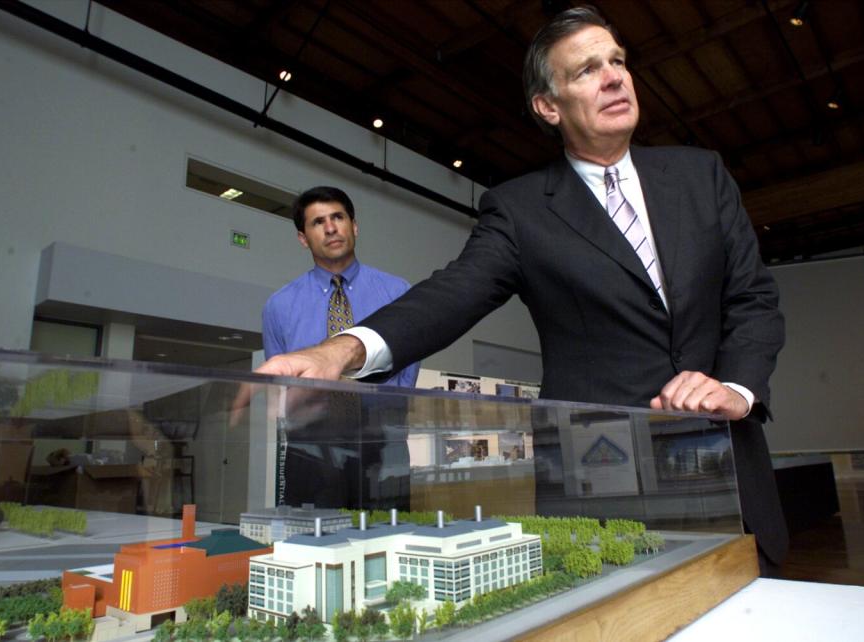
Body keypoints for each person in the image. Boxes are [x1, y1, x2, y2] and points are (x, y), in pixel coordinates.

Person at [255, 8, 788, 572]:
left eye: (618, 61)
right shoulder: (520, 209)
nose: (614, 77)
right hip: (603, 484)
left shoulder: (702, 175)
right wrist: (339, 350)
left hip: (730, 475)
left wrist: (736, 386)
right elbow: (454, 291)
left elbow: (752, 299)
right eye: (587, 70)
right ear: (548, 105)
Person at [261, 185, 418, 388]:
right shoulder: (279, 306)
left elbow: (409, 367)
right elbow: (280, 383)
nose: (330, 229)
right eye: (318, 222)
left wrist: (394, 412)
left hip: (384, 418)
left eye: (338, 217)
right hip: (309, 419)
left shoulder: (397, 293)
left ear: (354, 227)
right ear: (303, 239)